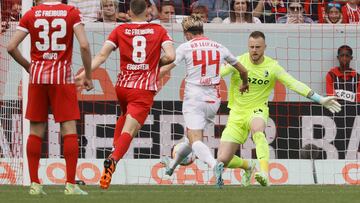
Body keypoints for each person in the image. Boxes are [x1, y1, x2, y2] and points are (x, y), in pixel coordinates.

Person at [215, 31, 341, 188]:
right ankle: (248, 167)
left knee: (258, 131)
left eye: (258, 47)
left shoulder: (272, 67)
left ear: (264, 47)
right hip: (236, 114)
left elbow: (293, 83)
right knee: (222, 159)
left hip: (257, 110)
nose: (254, 50)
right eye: (251, 47)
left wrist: (320, 99)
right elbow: (218, 73)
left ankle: (264, 174)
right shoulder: (238, 62)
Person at [75, 0, 175, 189]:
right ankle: (113, 160)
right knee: (130, 130)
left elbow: (102, 56)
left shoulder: (120, 30)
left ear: (128, 11)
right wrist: (154, 63)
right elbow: (171, 56)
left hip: (122, 86)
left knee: (124, 116)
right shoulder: (158, 30)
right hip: (143, 89)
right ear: (148, 11)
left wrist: (82, 75)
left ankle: (114, 148)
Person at [7, 0, 93, 195]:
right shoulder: (71, 12)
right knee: (68, 129)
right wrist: (88, 74)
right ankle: (70, 185)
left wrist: (30, 67)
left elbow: (11, 46)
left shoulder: (31, 14)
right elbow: (85, 46)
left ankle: (35, 184)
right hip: (62, 78)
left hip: (37, 78)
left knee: (36, 129)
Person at [158, 14, 248, 176]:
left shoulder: (186, 47)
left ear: (187, 33)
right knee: (189, 139)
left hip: (194, 97)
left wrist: (148, 81)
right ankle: (171, 167)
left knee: (195, 140)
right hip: (213, 100)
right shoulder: (219, 47)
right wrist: (245, 83)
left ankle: (214, 165)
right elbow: (243, 70)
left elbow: (166, 68)